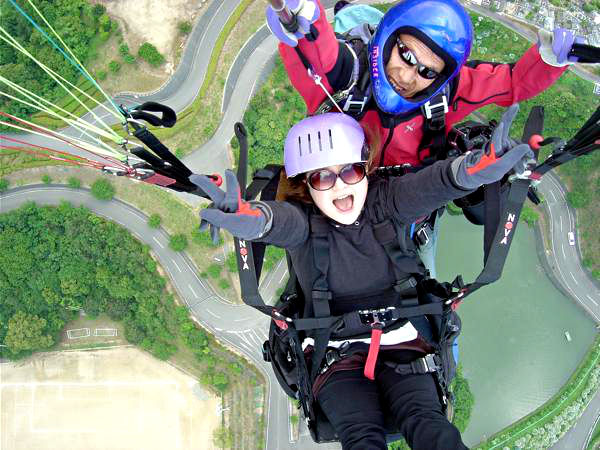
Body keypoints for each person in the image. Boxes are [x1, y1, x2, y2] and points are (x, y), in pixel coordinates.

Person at [191, 107, 532, 450]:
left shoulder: (386, 201)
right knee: (360, 437)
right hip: (334, 354)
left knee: (428, 425)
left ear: (366, 169)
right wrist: (248, 217)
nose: (339, 187)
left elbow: (435, 185)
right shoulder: (303, 224)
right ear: (306, 186)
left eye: (350, 172)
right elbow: (276, 222)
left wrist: (474, 170)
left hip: (404, 342)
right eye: (323, 178)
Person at [266, 0, 583, 276]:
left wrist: (548, 60)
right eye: (405, 53)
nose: (406, 76)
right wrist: (301, 18)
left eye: (427, 72)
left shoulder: (445, 96)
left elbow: (511, 82)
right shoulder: (347, 79)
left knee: (428, 309)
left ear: (441, 78)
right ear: (388, 39)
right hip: (331, 207)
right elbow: (319, 56)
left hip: (407, 214)